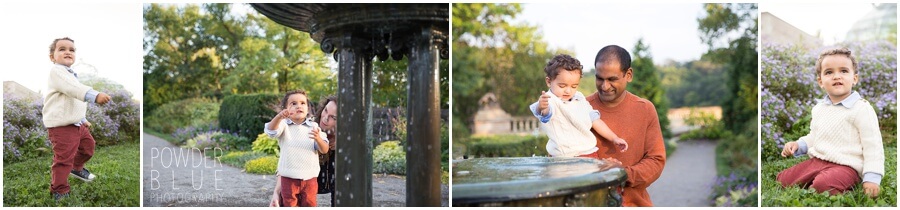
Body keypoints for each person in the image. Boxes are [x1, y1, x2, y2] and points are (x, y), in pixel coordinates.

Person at [777, 48, 884, 198]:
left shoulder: (862, 108)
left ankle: (827, 182)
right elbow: (815, 136)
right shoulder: (819, 108)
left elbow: (873, 146)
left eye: (844, 71)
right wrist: (799, 145)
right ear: (820, 81)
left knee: (823, 186)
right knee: (783, 180)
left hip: (847, 166)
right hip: (818, 160)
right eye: (829, 72)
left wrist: (872, 178)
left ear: (855, 78)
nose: (836, 76)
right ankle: (818, 177)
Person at [586, 45, 666, 207]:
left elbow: (656, 161)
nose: (604, 86)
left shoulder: (644, 109)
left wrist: (621, 174)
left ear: (628, 75)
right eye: (599, 78)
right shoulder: (580, 108)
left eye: (612, 79)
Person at [42, 37, 112, 201]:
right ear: (52, 57)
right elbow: (75, 90)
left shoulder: (71, 75)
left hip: (76, 124)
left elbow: (72, 101)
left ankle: (77, 167)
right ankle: (59, 190)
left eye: (71, 50)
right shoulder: (57, 72)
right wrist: (95, 95)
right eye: (62, 49)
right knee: (63, 159)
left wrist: (82, 119)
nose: (68, 52)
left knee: (88, 147)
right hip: (62, 127)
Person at [530, 54, 628, 158]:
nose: (568, 90)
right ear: (549, 81)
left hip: (588, 153)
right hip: (563, 158)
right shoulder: (550, 99)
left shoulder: (579, 98)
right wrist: (542, 107)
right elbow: (545, 113)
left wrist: (614, 138)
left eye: (574, 86)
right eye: (562, 86)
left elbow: (595, 121)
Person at [264, 90, 329, 207]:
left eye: (302, 103)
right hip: (288, 178)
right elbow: (271, 131)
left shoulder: (314, 126)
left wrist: (318, 139)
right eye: (293, 103)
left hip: (310, 178)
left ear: (308, 108)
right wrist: (279, 117)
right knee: (289, 204)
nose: (299, 106)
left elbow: (324, 149)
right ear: (285, 109)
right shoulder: (284, 125)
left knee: (310, 204)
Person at [315, 95, 338, 206]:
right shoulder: (307, 128)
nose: (325, 118)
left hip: (332, 186)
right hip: (304, 185)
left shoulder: (345, 145)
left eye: (333, 117)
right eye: (325, 111)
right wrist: (276, 192)